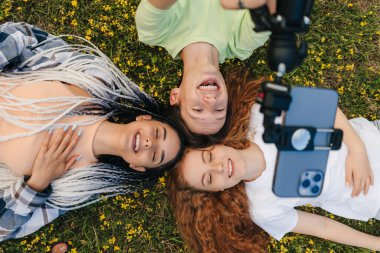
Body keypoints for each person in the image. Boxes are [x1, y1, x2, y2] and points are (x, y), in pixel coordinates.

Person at [0, 22, 186, 242]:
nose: (149, 143)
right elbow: (24, 35)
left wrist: (37, 182)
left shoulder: (75, 187)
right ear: (144, 118)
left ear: (137, 166)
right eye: (157, 134)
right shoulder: (95, 80)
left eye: (155, 155)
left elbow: (4, 229)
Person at [167, 68, 380, 252]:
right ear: (216, 191)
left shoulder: (258, 116)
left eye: (209, 157)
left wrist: (357, 150)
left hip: (373, 139)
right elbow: (322, 227)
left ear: (215, 144)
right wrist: (375, 243)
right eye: (209, 178)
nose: (219, 167)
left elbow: (320, 106)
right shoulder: (262, 208)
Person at [135, 0, 273, 135]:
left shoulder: (154, 31)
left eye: (197, 109)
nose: (211, 100)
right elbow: (272, 7)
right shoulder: (242, 42)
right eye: (219, 109)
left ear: (175, 96)